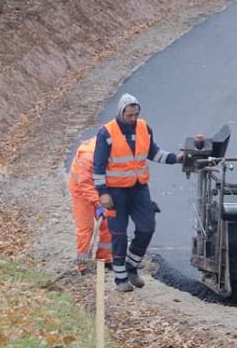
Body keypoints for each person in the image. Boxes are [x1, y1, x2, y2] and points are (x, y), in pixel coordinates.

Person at [92, 93, 184, 293]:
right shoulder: (106, 133)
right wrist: (103, 193)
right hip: (115, 193)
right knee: (119, 234)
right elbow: (98, 167)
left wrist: (176, 158)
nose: (133, 119)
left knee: (147, 227)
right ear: (121, 113)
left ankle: (131, 265)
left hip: (139, 188)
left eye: (136, 115)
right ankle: (120, 279)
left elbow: (154, 153)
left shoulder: (144, 128)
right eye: (130, 116)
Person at [67, 136, 112, 274]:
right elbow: (86, 185)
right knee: (86, 228)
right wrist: (98, 205)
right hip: (80, 188)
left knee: (109, 221)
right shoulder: (88, 156)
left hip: (102, 186)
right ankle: (83, 265)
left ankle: (105, 259)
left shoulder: (115, 148)